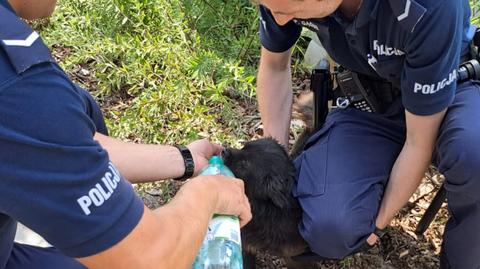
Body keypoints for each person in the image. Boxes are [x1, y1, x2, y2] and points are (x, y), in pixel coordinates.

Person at [0, 1, 252, 268]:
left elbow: (49, 147)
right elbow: (150, 258)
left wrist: (184, 159)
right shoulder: (18, 86)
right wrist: (208, 194)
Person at [254, 0, 479, 268]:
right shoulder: (282, 3)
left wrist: (378, 225)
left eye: (288, 9)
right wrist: (275, 159)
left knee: (472, 152)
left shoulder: (430, 6)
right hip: (370, 101)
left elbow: (419, 143)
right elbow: (274, 67)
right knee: (329, 226)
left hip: (451, 88)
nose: (279, 19)